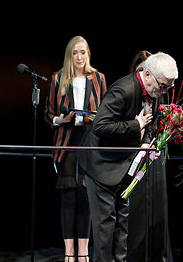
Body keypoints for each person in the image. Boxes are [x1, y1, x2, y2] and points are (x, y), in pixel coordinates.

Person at [78, 52, 178, 261]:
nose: (164, 91)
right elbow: (100, 126)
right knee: (105, 228)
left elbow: (151, 121)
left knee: (122, 225)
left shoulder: (154, 89)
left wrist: (149, 143)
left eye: (169, 87)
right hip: (102, 165)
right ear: (147, 74)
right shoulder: (123, 89)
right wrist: (136, 126)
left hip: (124, 166)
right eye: (163, 86)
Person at [44, 35, 107, 262]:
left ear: (88, 54)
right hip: (67, 141)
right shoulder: (58, 78)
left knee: (86, 195)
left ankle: (84, 253)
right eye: (75, 53)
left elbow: (105, 112)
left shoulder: (98, 78)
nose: (80, 57)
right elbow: (48, 114)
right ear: (70, 55)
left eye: (83, 52)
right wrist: (60, 120)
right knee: (69, 197)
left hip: (89, 141)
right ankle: (69, 253)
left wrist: (94, 117)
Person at [127, 50, 173, 262]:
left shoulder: (157, 96)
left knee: (154, 207)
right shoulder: (129, 93)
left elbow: (157, 124)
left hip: (152, 156)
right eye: (142, 71)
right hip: (131, 157)